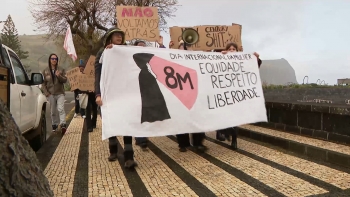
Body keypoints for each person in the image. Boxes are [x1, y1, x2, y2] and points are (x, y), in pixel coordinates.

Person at [95, 27, 137, 169]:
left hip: (125, 93)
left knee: (127, 123)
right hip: (109, 93)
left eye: (121, 35)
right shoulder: (103, 53)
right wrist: (98, 94)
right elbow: (98, 76)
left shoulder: (127, 51)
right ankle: (113, 150)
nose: (119, 37)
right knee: (111, 120)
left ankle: (129, 157)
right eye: (116, 35)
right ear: (109, 38)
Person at [218, 42, 262, 149]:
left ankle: (234, 140)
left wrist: (256, 59)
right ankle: (224, 131)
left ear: (237, 51)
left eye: (234, 49)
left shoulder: (241, 60)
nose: (232, 50)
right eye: (230, 48)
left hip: (236, 94)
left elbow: (252, 69)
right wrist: (219, 56)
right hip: (225, 94)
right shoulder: (222, 59)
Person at [133, 37, 165, 150]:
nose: (142, 47)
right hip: (136, 89)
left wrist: (161, 46)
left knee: (147, 113)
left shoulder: (148, 56)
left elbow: (163, 57)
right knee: (139, 113)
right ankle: (141, 139)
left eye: (143, 45)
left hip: (150, 87)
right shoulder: (131, 57)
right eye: (139, 45)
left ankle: (142, 137)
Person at [175, 40, 207, 152]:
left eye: (187, 46)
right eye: (182, 46)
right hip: (179, 94)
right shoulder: (173, 59)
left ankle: (198, 142)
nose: (185, 48)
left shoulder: (196, 60)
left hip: (195, 94)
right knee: (181, 119)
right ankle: (183, 143)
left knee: (197, 118)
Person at [42, 54, 67, 134]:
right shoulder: (45, 71)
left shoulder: (61, 69)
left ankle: (63, 124)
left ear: (57, 60)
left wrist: (59, 75)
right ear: (50, 60)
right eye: (52, 58)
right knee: (53, 111)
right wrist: (46, 93)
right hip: (51, 94)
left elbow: (65, 80)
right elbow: (43, 84)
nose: (54, 60)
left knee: (60, 108)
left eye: (55, 58)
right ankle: (54, 125)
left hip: (60, 93)